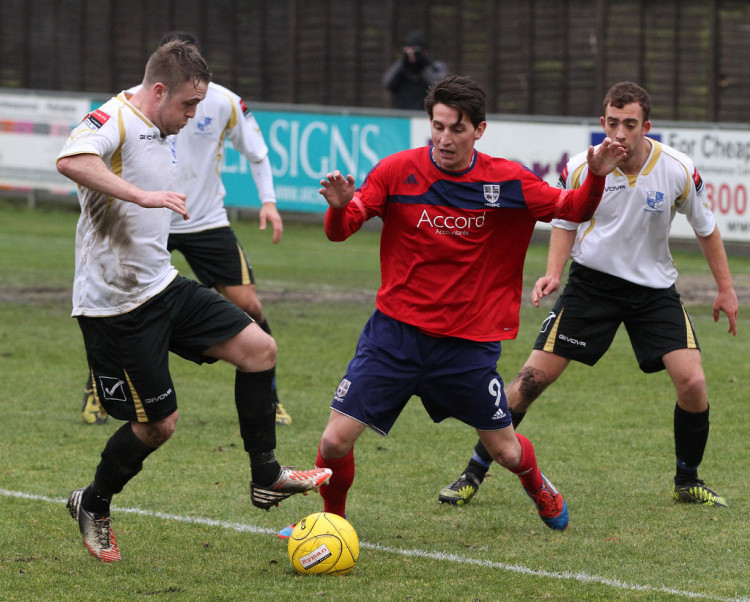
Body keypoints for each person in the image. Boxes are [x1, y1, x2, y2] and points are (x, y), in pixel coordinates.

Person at [292, 74, 625, 535]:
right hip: (395, 335)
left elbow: (573, 209)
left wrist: (598, 177)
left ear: (479, 130)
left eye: (457, 129)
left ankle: (537, 483)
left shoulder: (507, 180)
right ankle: (331, 526)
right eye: (438, 126)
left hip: (466, 347)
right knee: (333, 442)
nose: (445, 139)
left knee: (506, 452)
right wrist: (339, 205)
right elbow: (342, 228)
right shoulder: (396, 171)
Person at [56, 40, 331, 563]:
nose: (193, 116)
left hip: (162, 285)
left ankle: (266, 476)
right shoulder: (112, 118)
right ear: (159, 91)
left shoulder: (167, 124)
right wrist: (143, 195)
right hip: (114, 307)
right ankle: (92, 503)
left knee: (260, 349)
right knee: (158, 425)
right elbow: (71, 160)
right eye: (187, 105)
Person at [438, 81, 738, 509]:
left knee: (693, 382)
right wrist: (553, 273)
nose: (618, 133)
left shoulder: (677, 168)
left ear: (646, 127)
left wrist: (726, 290)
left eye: (629, 125)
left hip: (654, 291)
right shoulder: (581, 166)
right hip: (592, 285)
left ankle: (687, 480)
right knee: (529, 381)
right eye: (612, 123)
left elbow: (706, 229)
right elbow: (564, 221)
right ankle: (472, 471)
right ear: (602, 122)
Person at [80, 31, 293, 427]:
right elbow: (82, 155)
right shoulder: (136, 103)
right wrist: (139, 197)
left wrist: (269, 202)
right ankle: (99, 389)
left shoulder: (224, 101)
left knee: (248, 304)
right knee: (119, 306)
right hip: (146, 221)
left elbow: (258, 154)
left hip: (205, 219)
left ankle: (270, 397)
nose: (191, 110)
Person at [382, 31, 449, 110]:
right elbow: (387, 83)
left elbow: (441, 87)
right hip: (402, 113)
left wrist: (424, 66)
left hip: (425, 113)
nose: (412, 54)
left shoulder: (435, 66)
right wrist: (403, 63)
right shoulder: (402, 66)